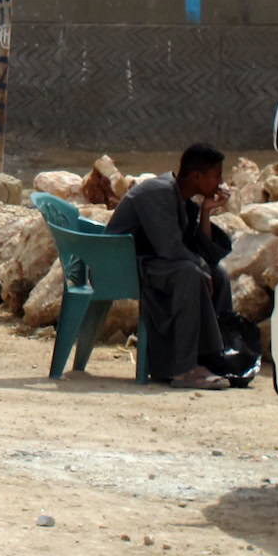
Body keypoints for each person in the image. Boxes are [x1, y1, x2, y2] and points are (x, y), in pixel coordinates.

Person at [107, 143, 249, 389]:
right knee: (191, 274)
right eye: (216, 175)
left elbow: (201, 252)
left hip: (155, 265)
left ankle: (212, 356)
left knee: (219, 275)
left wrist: (206, 211)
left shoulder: (182, 200)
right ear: (197, 176)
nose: (221, 182)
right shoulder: (157, 192)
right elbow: (170, 249)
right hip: (123, 266)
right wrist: (200, 265)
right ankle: (183, 369)